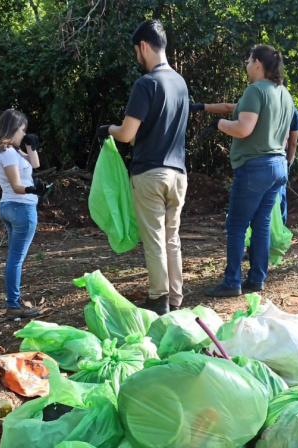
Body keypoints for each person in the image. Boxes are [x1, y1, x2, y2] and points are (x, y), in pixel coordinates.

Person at [96, 20, 189, 316]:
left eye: (137, 50)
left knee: (154, 239)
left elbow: (127, 134)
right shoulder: (180, 82)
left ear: (144, 46)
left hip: (150, 173)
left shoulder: (146, 84)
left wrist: (106, 129)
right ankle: (175, 296)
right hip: (178, 174)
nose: (137, 57)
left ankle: (158, 298)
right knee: (171, 237)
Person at [202, 44, 294, 297]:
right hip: (278, 165)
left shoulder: (255, 90)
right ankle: (256, 279)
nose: (245, 65)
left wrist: (218, 124)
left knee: (236, 225)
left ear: (257, 63)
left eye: (247, 60)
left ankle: (232, 282)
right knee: (261, 224)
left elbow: (243, 129)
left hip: (255, 167)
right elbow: (285, 135)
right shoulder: (284, 93)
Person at [0, 108, 52, 319]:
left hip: (9, 207)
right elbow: (17, 185)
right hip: (20, 207)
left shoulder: (11, 151)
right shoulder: (7, 152)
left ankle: (13, 302)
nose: (24, 134)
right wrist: (34, 189)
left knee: (14, 258)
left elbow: (34, 164)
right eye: (22, 130)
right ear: (14, 128)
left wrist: (30, 146)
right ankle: (13, 305)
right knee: (15, 260)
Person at [281, 105, 298, 226]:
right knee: (280, 195)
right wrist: (288, 162)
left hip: (264, 157)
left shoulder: (264, 105)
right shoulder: (292, 110)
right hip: (283, 158)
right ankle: (280, 229)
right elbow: (293, 143)